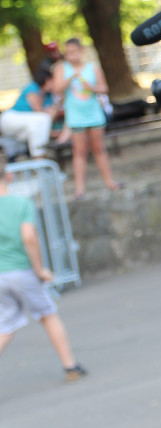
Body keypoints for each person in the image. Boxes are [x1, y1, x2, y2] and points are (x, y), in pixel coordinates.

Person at [0, 152, 87, 382]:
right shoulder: (20, 204)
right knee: (48, 314)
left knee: (5, 326)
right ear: (9, 176)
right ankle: (70, 366)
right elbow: (29, 237)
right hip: (21, 270)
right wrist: (39, 269)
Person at [50, 38, 121, 198]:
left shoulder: (92, 67)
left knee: (99, 149)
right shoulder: (61, 69)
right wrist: (70, 78)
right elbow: (56, 90)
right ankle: (79, 188)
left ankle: (109, 182)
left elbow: (104, 88)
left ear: (81, 51)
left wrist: (92, 87)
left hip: (94, 114)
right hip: (75, 116)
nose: (71, 56)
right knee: (79, 151)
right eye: (68, 53)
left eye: (74, 52)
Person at [1, 66, 58, 158]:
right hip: (11, 119)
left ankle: (38, 158)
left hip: (25, 126)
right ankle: (39, 156)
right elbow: (39, 111)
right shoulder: (33, 87)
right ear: (48, 80)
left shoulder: (48, 96)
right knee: (43, 118)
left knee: (34, 129)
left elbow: (50, 119)